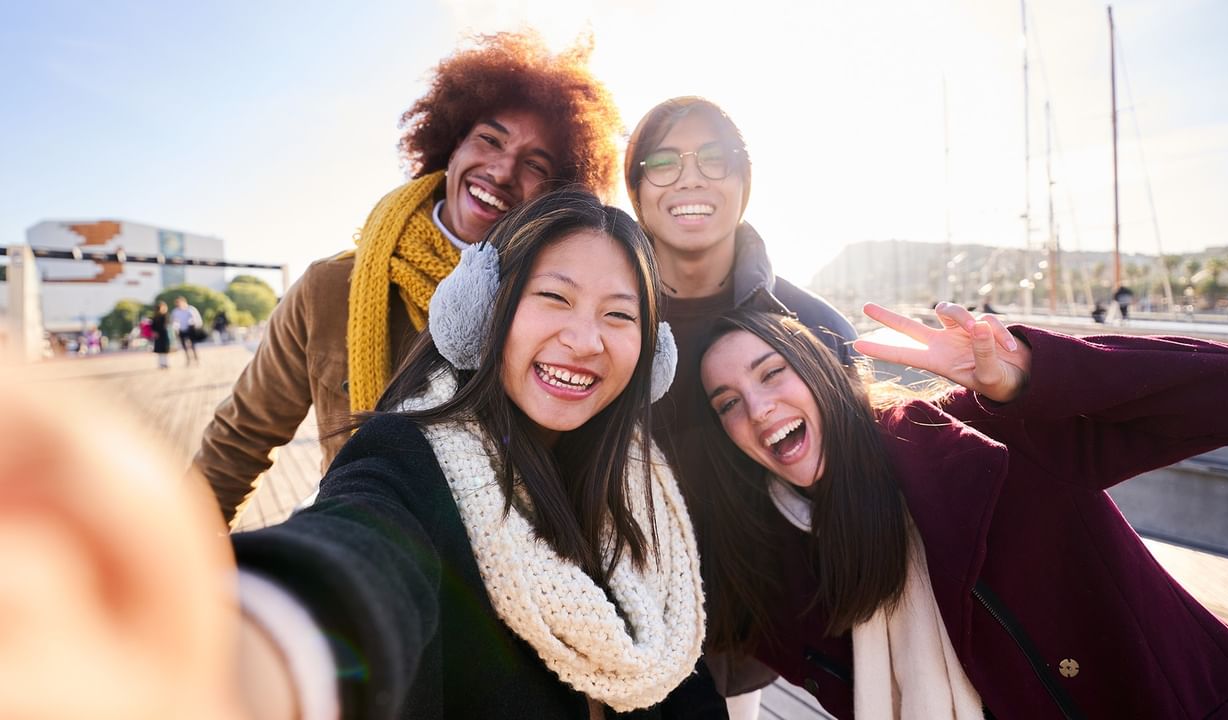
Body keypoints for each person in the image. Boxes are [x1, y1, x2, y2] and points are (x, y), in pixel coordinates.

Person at [0, 189, 723, 719]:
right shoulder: (408, 456)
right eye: (554, 298)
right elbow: (358, 555)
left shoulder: (642, 484)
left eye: (619, 315)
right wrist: (234, 653)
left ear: (651, 352)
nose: (585, 338)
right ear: (484, 312)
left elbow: (679, 678)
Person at [696, 303, 1228, 718]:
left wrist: (1033, 372)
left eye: (773, 372)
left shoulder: (981, 435)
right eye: (728, 403)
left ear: (823, 373)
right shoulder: (778, 570)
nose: (758, 407)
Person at [191, 31, 623, 525]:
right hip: (362, 557)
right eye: (489, 139)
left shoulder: (563, 313)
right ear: (451, 144)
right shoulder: (329, 289)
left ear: (556, 193)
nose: (502, 171)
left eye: (534, 164)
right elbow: (237, 443)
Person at [623, 97, 857, 710]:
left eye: (715, 158)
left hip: (762, 638)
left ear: (744, 182)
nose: (691, 176)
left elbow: (863, 486)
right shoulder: (605, 320)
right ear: (638, 189)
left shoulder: (812, 328)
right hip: (621, 631)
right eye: (665, 160)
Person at [171, 296, 202, 365]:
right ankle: (188, 360)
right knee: (184, 346)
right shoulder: (175, 311)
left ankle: (196, 359)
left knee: (193, 345)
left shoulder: (190, 309)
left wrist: (197, 326)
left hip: (190, 329)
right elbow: (174, 321)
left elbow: (197, 318)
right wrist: (175, 329)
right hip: (181, 330)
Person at [151, 300, 172, 369]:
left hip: (164, 334)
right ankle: (161, 364)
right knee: (160, 351)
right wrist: (155, 332)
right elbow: (153, 326)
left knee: (165, 350)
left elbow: (166, 324)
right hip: (158, 335)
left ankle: (165, 363)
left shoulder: (166, 315)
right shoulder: (155, 316)